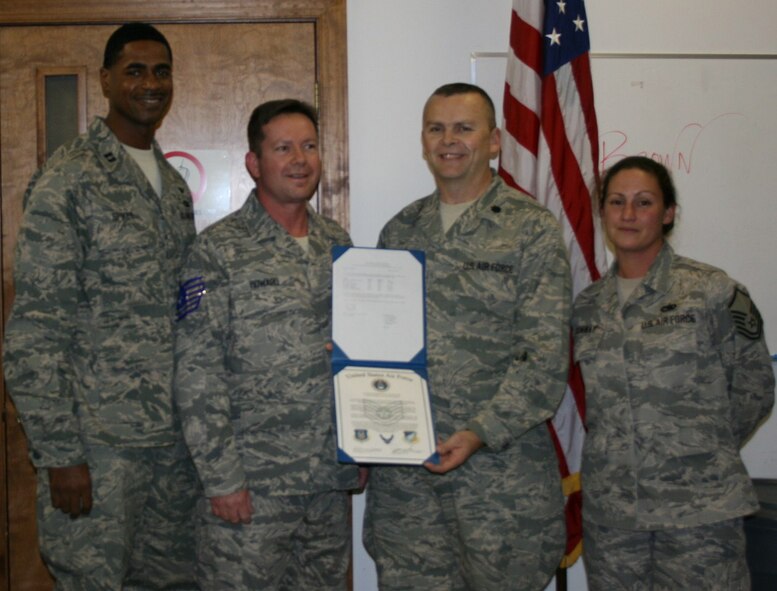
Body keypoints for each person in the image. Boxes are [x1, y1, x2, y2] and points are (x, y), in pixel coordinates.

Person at [3, 23, 198, 590]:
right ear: (107, 80)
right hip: (98, 452)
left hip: (171, 448)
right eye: (134, 70)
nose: (150, 83)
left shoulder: (172, 187)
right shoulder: (70, 179)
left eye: (161, 70)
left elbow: (185, 309)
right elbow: (36, 328)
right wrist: (59, 452)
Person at [363, 83, 571, 590]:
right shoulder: (400, 231)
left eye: (464, 127)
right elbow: (380, 341)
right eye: (436, 128)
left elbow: (544, 358)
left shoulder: (531, 230)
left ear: (494, 140)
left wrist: (479, 432)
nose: (448, 140)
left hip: (501, 481)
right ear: (423, 140)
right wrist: (354, 360)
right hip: (408, 481)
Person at [174, 99, 360, 590]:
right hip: (252, 490)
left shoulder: (338, 244)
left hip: (326, 486)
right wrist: (222, 479)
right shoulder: (217, 251)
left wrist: (363, 447)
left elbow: (361, 355)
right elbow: (197, 373)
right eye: (283, 148)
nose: (300, 159)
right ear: (254, 164)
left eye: (309, 146)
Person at [572, 155, 775, 590]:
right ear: (602, 211)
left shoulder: (712, 291)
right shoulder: (587, 306)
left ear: (667, 214)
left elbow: (755, 386)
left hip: (699, 513)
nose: (628, 215)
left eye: (643, 203)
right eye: (616, 202)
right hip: (614, 519)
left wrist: (695, 450)